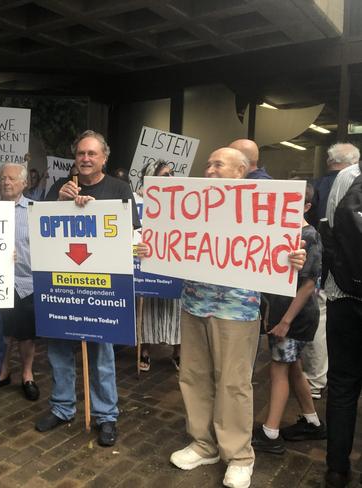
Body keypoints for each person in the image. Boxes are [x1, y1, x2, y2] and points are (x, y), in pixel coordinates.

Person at [137, 147, 306, 488]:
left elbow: (288, 241)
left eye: (218, 164)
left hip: (237, 309)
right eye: (208, 163)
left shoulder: (264, 204)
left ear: (240, 171)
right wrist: (148, 247)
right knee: (194, 377)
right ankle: (203, 443)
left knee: (233, 382)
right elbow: (168, 239)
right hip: (194, 303)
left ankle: (239, 455)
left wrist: (294, 257)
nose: (209, 169)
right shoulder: (191, 202)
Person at [34, 130, 140, 447]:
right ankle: (63, 408)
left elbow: (132, 234)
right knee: (58, 352)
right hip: (62, 284)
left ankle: (106, 416)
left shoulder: (120, 188)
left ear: (104, 158)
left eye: (92, 154)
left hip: (102, 287)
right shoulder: (59, 188)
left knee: (102, 357)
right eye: (81, 153)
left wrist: (93, 210)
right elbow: (43, 229)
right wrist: (61, 202)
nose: (85, 159)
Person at [252, 182, 326, 455]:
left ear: (306, 207)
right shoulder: (281, 233)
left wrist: (285, 321)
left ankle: (270, 433)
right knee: (292, 366)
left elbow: (308, 285)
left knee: (278, 368)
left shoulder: (309, 235)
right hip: (284, 314)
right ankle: (312, 421)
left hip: (295, 317)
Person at [303, 143, 358, 400]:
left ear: (328, 160)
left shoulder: (317, 186)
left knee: (320, 324)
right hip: (345, 276)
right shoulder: (351, 185)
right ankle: (316, 380)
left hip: (322, 269)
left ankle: (315, 381)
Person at [322, 157, 362, 488]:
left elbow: (330, 231)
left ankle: (336, 469)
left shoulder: (348, 175)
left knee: (342, 386)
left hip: (344, 298)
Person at [0, 163, 39, 401]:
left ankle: (27, 374)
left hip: (26, 282)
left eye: (12, 178)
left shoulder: (35, 210)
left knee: (26, 335)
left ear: (24, 183)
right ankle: (3, 371)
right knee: (2, 332)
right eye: (3, 178)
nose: (6, 182)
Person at [137, 159, 179, 372]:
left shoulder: (181, 200)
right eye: (165, 175)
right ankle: (144, 350)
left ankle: (178, 352)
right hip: (149, 262)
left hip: (173, 261)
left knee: (175, 308)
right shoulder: (139, 200)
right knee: (149, 307)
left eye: (171, 174)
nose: (170, 179)